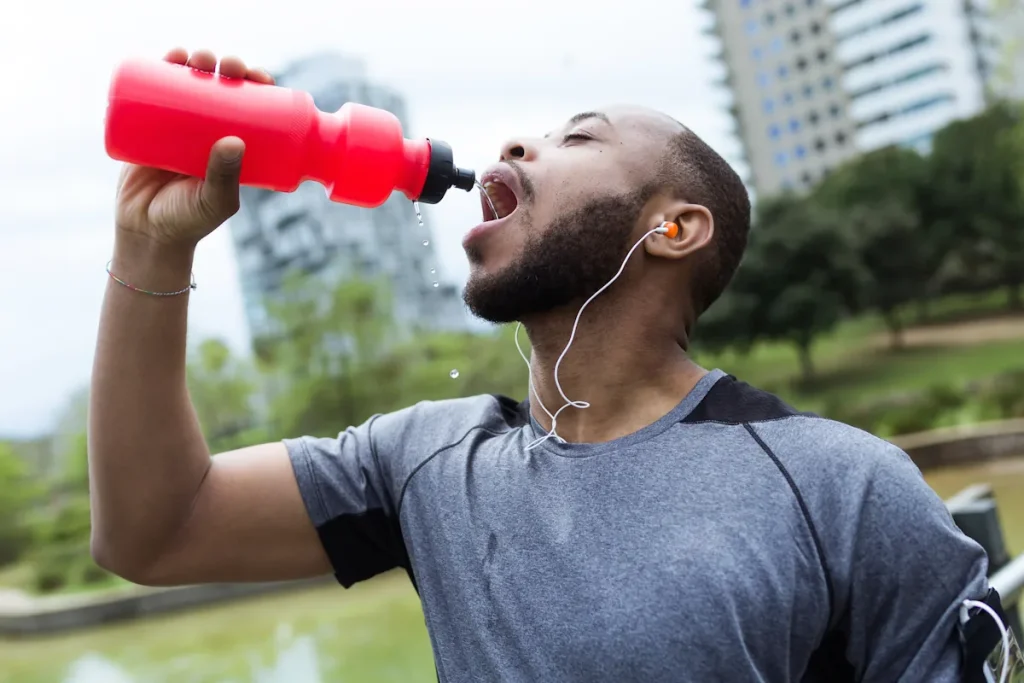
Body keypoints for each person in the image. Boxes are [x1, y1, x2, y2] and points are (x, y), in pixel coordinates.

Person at [90, 48, 991, 682]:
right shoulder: (426, 463)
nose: (519, 144)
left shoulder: (840, 485)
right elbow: (153, 530)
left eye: (579, 138)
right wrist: (149, 248)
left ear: (671, 228)